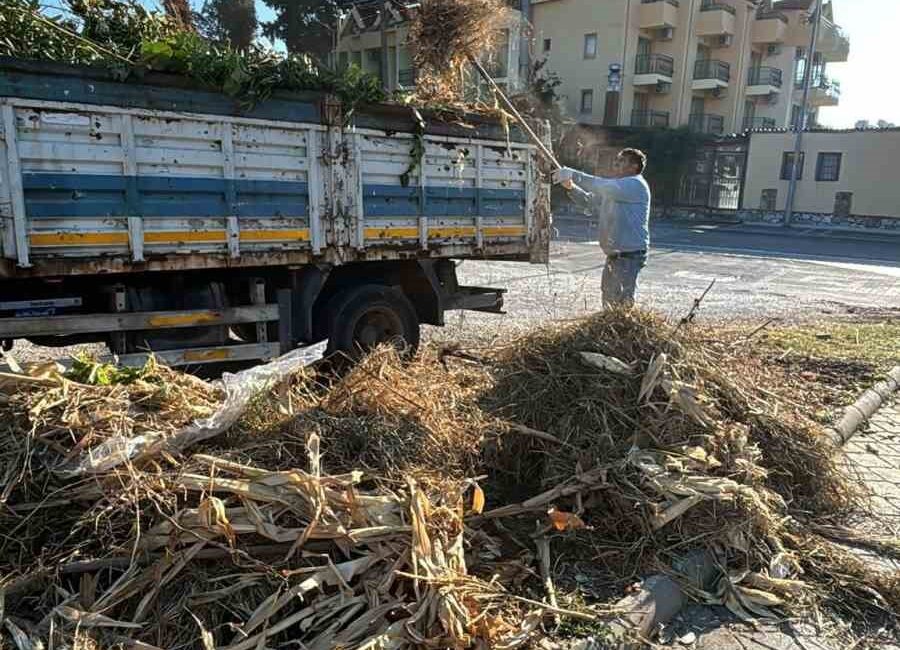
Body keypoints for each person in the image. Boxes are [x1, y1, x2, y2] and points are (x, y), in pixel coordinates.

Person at [553, 148, 651, 308]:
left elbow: (599, 185)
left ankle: (621, 330)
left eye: (622, 161)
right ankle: (612, 329)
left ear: (634, 167)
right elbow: (589, 201)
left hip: (629, 255)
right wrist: (571, 187)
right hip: (616, 254)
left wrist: (573, 174)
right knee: (609, 297)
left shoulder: (635, 184)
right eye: (617, 160)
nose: (616, 164)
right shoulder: (617, 188)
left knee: (621, 301)